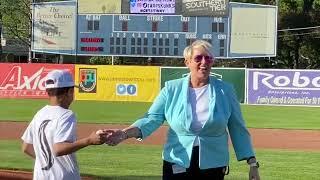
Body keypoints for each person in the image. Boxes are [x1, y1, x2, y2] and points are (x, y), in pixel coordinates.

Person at [105, 40, 260, 180]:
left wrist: (252, 163)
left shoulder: (225, 90)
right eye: (198, 58)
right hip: (177, 160)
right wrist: (125, 133)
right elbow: (151, 118)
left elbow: (237, 127)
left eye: (209, 58)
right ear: (187, 62)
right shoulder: (171, 89)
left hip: (213, 165)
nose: (204, 62)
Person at [21, 69, 106, 180]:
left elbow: (26, 147)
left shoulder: (40, 113)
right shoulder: (66, 115)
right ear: (69, 92)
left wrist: (47, 162)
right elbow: (58, 149)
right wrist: (89, 140)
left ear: (48, 91)